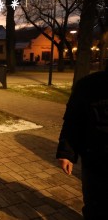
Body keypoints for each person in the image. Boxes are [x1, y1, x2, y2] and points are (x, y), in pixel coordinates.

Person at [56, 67, 108, 219]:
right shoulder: (89, 85)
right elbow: (73, 121)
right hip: (96, 163)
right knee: (96, 206)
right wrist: (67, 153)